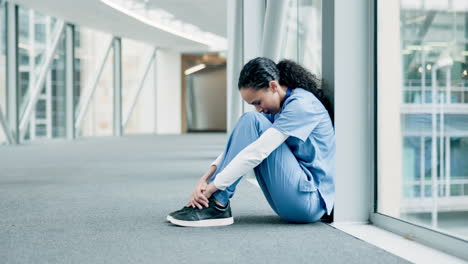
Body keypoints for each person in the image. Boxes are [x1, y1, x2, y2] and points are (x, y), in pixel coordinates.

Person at [166, 57, 335, 227]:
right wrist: (204, 180)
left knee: (251, 120)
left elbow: (257, 151)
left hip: (309, 201)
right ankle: (216, 203)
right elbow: (237, 149)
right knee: (250, 122)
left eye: (258, 102)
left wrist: (212, 189)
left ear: (273, 86)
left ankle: (217, 204)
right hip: (295, 197)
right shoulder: (277, 108)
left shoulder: (301, 105)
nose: (259, 109)